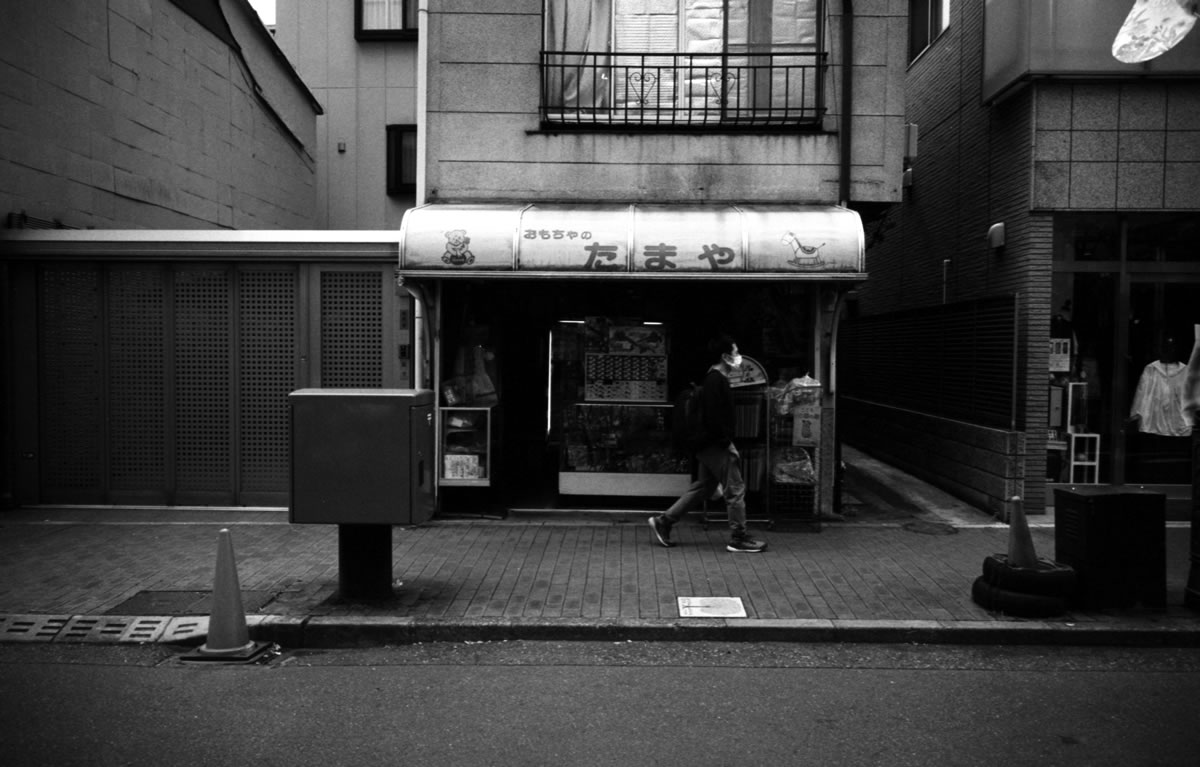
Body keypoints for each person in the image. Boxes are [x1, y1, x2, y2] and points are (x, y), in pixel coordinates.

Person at [649, 335, 767, 553]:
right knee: (735, 488)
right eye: (735, 352)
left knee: (704, 487)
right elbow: (714, 417)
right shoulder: (716, 380)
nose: (738, 357)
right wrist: (725, 442)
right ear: (724, 356)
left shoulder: (713, 378)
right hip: (715, 445)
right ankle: (738, 537)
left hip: (707, 444)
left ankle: (664, 521)